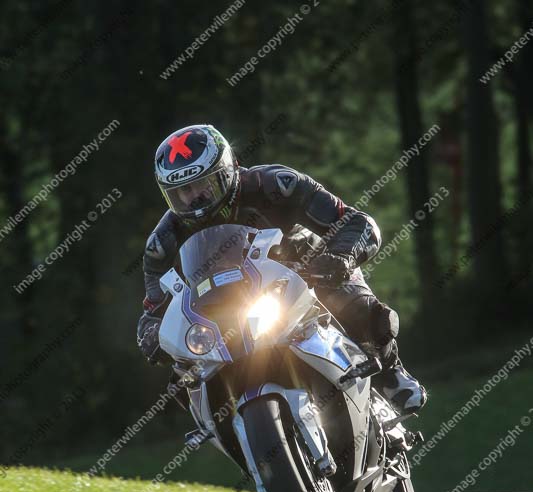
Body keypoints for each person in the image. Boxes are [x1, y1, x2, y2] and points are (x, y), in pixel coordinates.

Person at [137, 124, 426, 415]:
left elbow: (356, 222)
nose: (193, 198)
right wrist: (152, 334)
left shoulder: (276, 185)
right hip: (228, 310)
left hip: (310, 274)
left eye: (203, 184)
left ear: (226, 170)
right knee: (183, 375)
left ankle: (392, 374)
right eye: (182, 191)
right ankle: (219, 429)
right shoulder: (162, 242)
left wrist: (341, 257)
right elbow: (153, 309)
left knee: (356, 307)